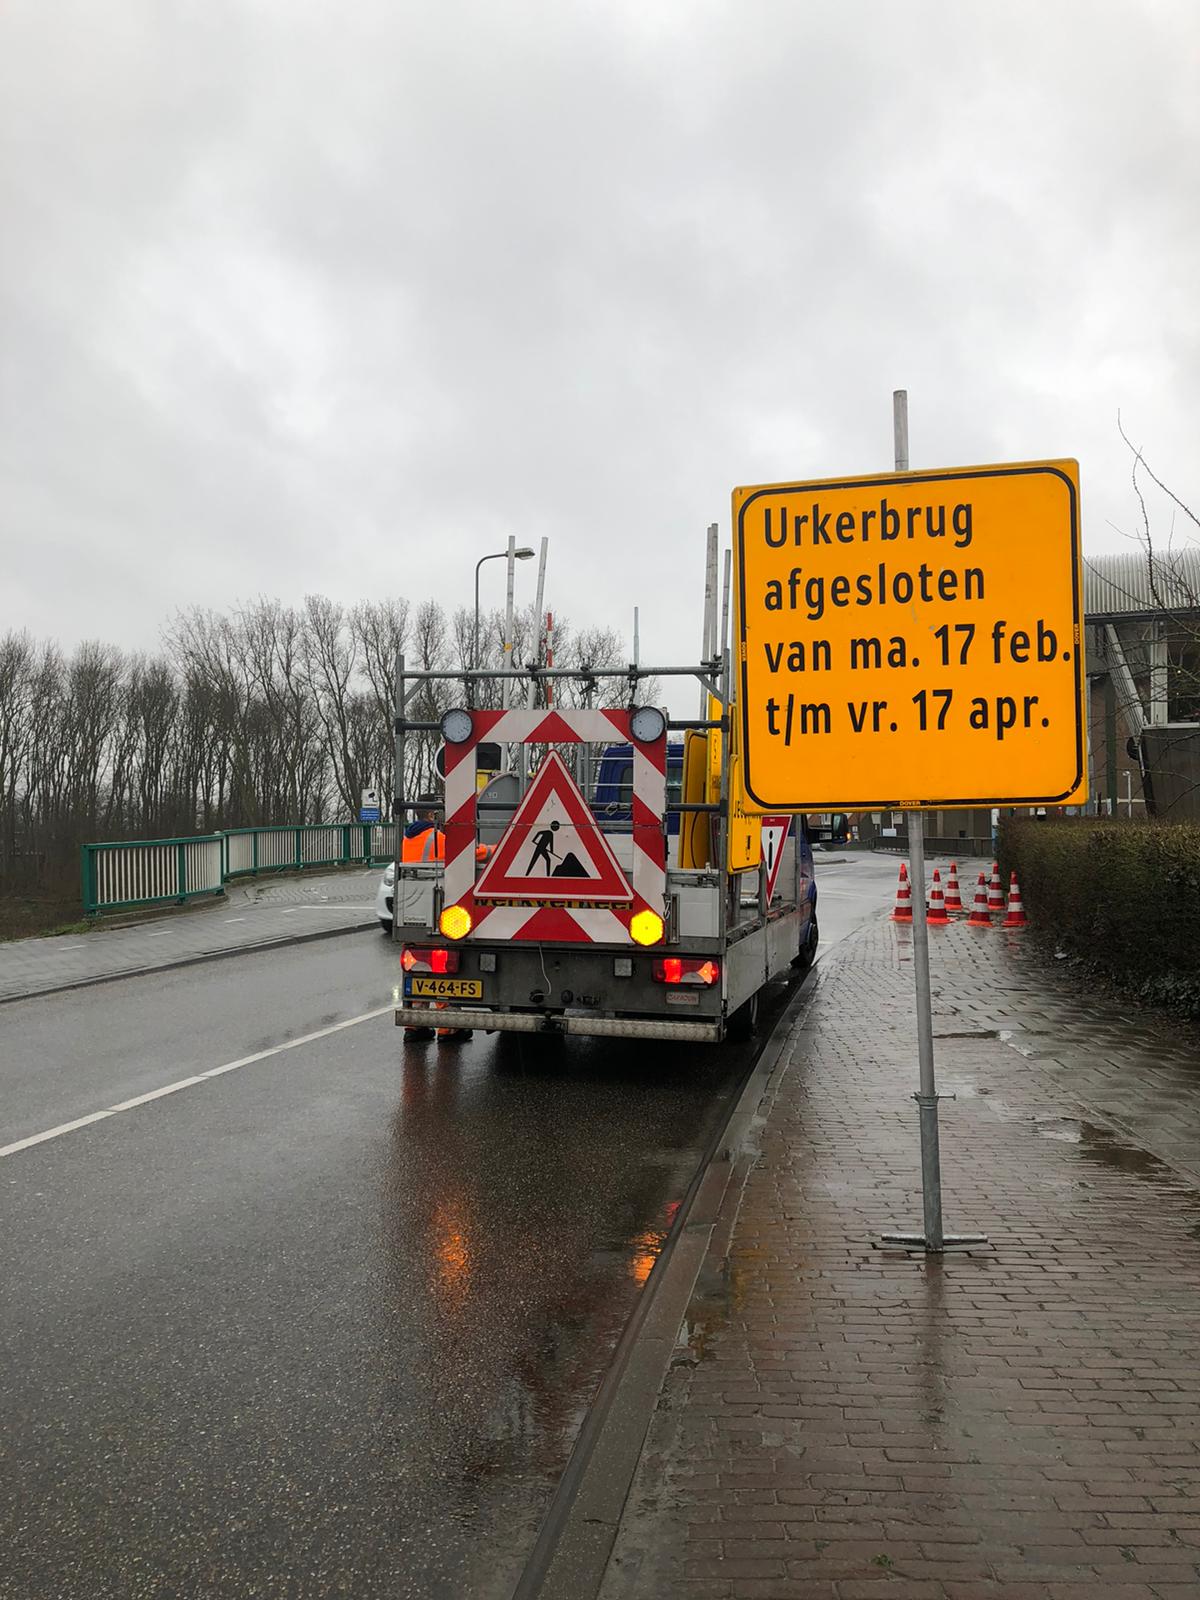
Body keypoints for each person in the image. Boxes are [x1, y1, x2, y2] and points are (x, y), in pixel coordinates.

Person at [399, 796, 472, 1043]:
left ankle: (415, 1025)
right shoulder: (437, 838)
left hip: (413, 907)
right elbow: (467, 853)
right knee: (443, 966)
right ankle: (447, 1027)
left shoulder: (407, 837)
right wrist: (494, 850)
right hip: (438, 904)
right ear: (432, 815)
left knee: (419, 965)